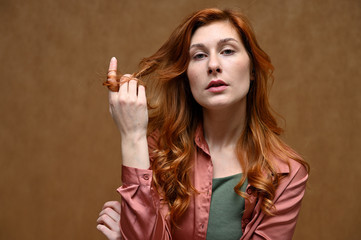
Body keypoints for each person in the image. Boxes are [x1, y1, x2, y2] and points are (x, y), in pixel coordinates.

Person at [97, 8, 309, 240]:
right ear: (187, 77)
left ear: (252, 70)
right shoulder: (159, 151)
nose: (213, 65)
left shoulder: (286, 173)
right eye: (199, 55)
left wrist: (127, 233)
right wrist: (133, 137)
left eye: (227, 51)